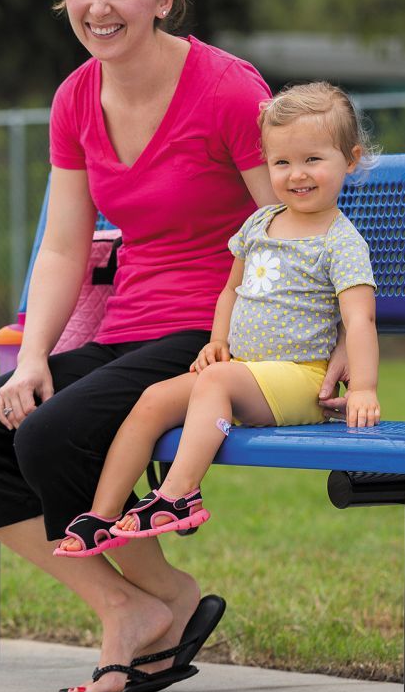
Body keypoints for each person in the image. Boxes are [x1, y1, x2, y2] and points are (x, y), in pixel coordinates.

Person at [0, 0, 331, 692]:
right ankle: (132, 603)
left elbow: (287, 227)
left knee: (51, 438)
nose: (98, 6)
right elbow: (67, 247)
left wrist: (320, 343)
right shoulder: (75, 97)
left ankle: (151, 612)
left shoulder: (227, 88)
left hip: (216, 333)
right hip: (127, 330)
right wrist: (34, 356)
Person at [55, 81, 379, 558]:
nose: (296, 175)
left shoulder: (340, 241)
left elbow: (360, 321)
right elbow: (231, 290)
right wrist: (216, 340)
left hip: (301, 381)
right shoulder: (259, 223)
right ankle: (101, 517)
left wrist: (365, 388)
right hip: (244, 372)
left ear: (349, 160)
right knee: (152, 399)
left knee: (215, 385)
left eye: (313, 159)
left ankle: (180, 494)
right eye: (281, 162)